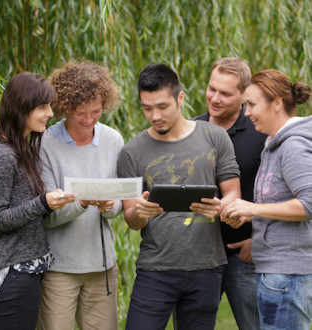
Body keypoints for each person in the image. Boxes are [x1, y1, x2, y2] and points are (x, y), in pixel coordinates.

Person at [117, 63, 241, 330]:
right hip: (155, 269)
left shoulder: (216, 137)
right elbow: (131, 219)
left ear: (180, 98)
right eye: (147, 108)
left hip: (207, 268)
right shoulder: (131, 152)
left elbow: (233, 195)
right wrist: (139, 212)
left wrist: (220, 208)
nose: (154, 115)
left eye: (162, 107)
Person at [0, 72, 76, 329]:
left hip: (27, 270)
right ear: (21, 107)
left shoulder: (23, 151)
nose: (50, 113)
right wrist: (43, 203)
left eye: (50, 106)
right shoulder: (1, 155)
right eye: (43, 107)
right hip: (11, 273)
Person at [221, 69, 312, 330]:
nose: (246, 112)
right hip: (277, 273)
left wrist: (254, 207)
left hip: (289, 276)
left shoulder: (293, 146)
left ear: (276, 103)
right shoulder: (273, 144)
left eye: (251, 104)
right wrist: (249, 213)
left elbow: (309, 204)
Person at [38, 60, 123, 330]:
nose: (88, 119)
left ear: (105, 105)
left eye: (96, 111)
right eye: (80, 113)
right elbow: (45, 216)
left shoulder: (113, 140)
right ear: (65, 107)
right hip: (58, 269)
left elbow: (120, 201)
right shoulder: (44, 143)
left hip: (102, 268)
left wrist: (111, 205)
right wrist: (82, 201)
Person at [194, 57, 266, 330]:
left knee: (255, 325)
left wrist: (257, 239)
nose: (215, 98)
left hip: (243, 254)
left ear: (244, 96)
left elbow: (274, 193)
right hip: (197, 256)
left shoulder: (260, 133)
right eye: (212, 88)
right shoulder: (190, 130)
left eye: (225, 93)